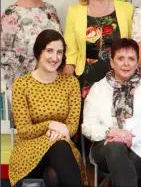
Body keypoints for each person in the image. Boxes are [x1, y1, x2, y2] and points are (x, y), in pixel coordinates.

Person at [82, 38, 141, 187]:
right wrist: (111, 132)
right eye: (120, 58)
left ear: (137, 62)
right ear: (112, 62)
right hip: (105, 147)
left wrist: (130, 138)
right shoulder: (97, 89)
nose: (126, 63)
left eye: (131, 59)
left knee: (123, 168)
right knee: (115, 147)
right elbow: (88, 125)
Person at [9, 30, 86, 187]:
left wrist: (59, 130)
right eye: (49, 51)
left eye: (59, 52)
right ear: (39, 52)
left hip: (61, 149)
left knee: (54, 174)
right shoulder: (22, 84)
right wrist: (50, 125)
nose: (55, 57)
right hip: (28, 151)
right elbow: (24, 129)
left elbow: (72, 126)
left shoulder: (71, 83)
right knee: (60, 146)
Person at [63, 0, 134, 100]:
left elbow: (133, 46)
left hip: (120, 76)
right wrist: (66, 80)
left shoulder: (127, 9)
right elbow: (71, 51)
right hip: (87, 79)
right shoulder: (74, 11)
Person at [1, 0, 61, 107]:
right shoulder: (11, 14)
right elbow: (3, 53)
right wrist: (36, 66)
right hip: (24, 89)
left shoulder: (50, 10)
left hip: (53, 84)